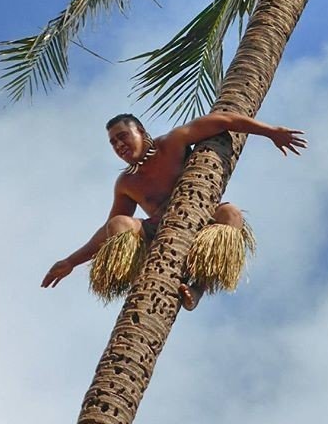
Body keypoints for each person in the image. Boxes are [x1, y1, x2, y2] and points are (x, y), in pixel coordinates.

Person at [41, 111, 306, 310]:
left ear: (141, 133)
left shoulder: (173, 142)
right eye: (113, 143)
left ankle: (197, 290)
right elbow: (109, 230)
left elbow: (224, 120)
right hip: (157, 237)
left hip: (199, 223)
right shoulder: (127, 182)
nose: (119, 145)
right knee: (120, 223)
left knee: (231, 214)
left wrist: (271, 131)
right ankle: (144, 278)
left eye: (123, 136)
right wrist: (71, 262)